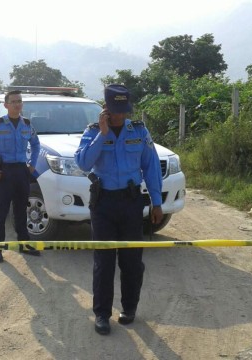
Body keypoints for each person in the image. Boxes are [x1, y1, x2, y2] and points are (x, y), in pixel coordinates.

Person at [74, 84, 164, 335]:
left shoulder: (138, 131)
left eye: (124, 111)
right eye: (116, 111)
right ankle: (102, 313)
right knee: (104, 261)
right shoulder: (93, 132)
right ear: (106, 109)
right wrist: (102, 135)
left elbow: (151, 166)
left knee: (132, 260)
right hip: (103, 204)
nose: (120, 116)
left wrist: (157, 202)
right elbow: (82, 163)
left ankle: (129, 308)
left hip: (131, 203)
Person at [0, 90, 42, 263]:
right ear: (6, 105)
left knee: (21, 211)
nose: (17, 104)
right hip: (4, 173)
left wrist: (32, 165)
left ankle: (24, 244)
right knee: (0, 212)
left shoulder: (27, 125)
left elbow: (36, 145)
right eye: (13, 101)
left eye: (19, 101)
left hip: (22, 172)